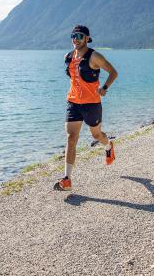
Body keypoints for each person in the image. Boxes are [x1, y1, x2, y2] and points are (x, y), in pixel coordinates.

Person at [54, 25, 118, 191]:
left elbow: (113, 72)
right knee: (71, 137)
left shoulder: (94, 56)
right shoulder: (68, 57)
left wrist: (104, 88)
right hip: (73, 102)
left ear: (87, 38)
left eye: (80, 36)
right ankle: (67, 179)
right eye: (73, 36)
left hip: (91, 103)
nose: (75, 39)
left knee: (96, 135)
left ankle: (108, 145)